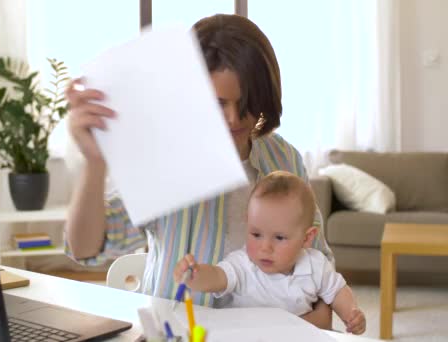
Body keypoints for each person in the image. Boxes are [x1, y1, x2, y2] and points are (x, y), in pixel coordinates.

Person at [64, 14, 335, 328]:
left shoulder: (283, 157)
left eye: (245, 102)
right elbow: (85, 249)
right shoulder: (165, 160)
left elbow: (316, 256)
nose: (234, 119)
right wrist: (95, 164)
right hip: (181, 331)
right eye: (218, 103)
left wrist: (320, 316)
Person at [174, 171, 366, 335]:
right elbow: (217, 277)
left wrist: (351, 313)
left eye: (279, 238)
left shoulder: (315, 265)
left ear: (306, 238)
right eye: (256, 234)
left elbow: (338, 291)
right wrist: (195, 275)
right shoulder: (243, 265)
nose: (265, 247)